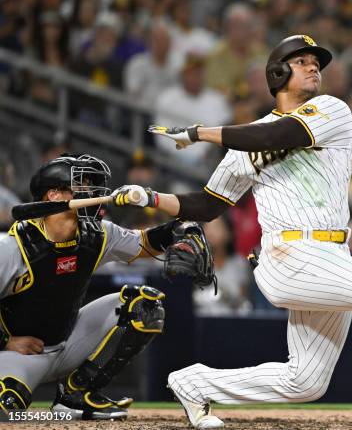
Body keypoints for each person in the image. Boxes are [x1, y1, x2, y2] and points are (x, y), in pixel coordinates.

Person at [112, 35, 352, 430]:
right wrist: (150, 196)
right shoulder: (245, 139)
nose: (315, 67)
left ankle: (193, 383)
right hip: (287, 256)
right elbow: (208, 205)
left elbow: (277, 136)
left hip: (332, 257)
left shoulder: (331, 110)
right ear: (277, 73)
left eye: (317, 62)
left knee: (305, 382)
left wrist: (198, 133)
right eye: (302, 61)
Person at [0, 154, 203, 420]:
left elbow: (145, 243)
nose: (93, 192)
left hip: (68, 342)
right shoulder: (12, 247)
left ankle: (77, 394)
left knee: (145, 306)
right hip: (19, 355)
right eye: (81, 185)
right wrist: (5, 341)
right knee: (7, 411)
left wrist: (181, 229)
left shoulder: (97, 233)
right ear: (53, 195)